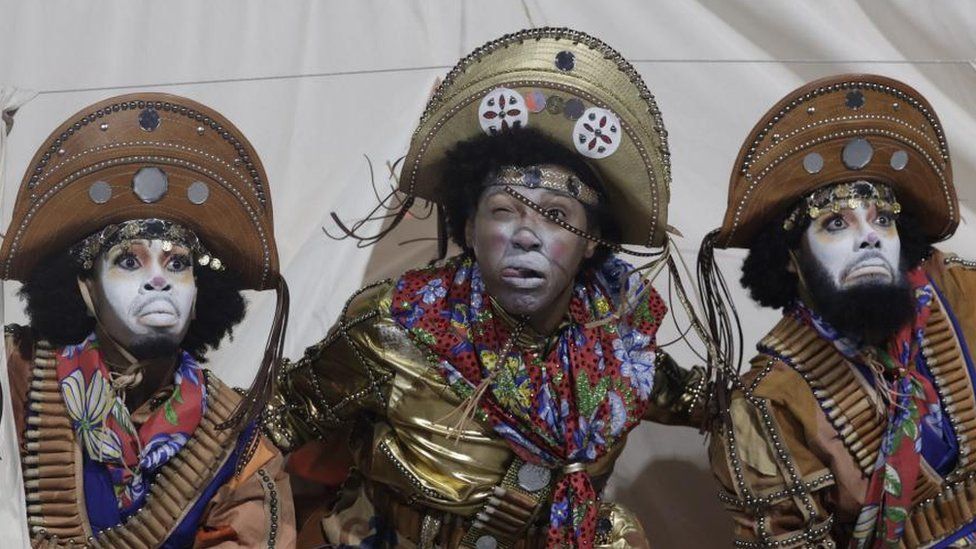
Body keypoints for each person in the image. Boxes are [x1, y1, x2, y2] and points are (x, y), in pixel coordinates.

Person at [264, 28, 705, 548]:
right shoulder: (391, 325)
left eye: (556, 216)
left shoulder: (619, 345)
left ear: (591, 241)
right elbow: (276, 421)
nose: (525, 234)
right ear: (469, 229)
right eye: (504, 211)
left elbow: (707, 401)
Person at [2, 93, 296, 547]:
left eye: (178, 264)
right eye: (129, 261)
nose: (158, 280)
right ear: (85, 287)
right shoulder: (17, 375)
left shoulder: (235, 437)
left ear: (200, 296)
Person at [700, 74, 976, 547]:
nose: (869, 236)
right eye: (835, 223)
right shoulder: (770, 406)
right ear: (790, 258)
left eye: (882, 219)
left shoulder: (960, 291)